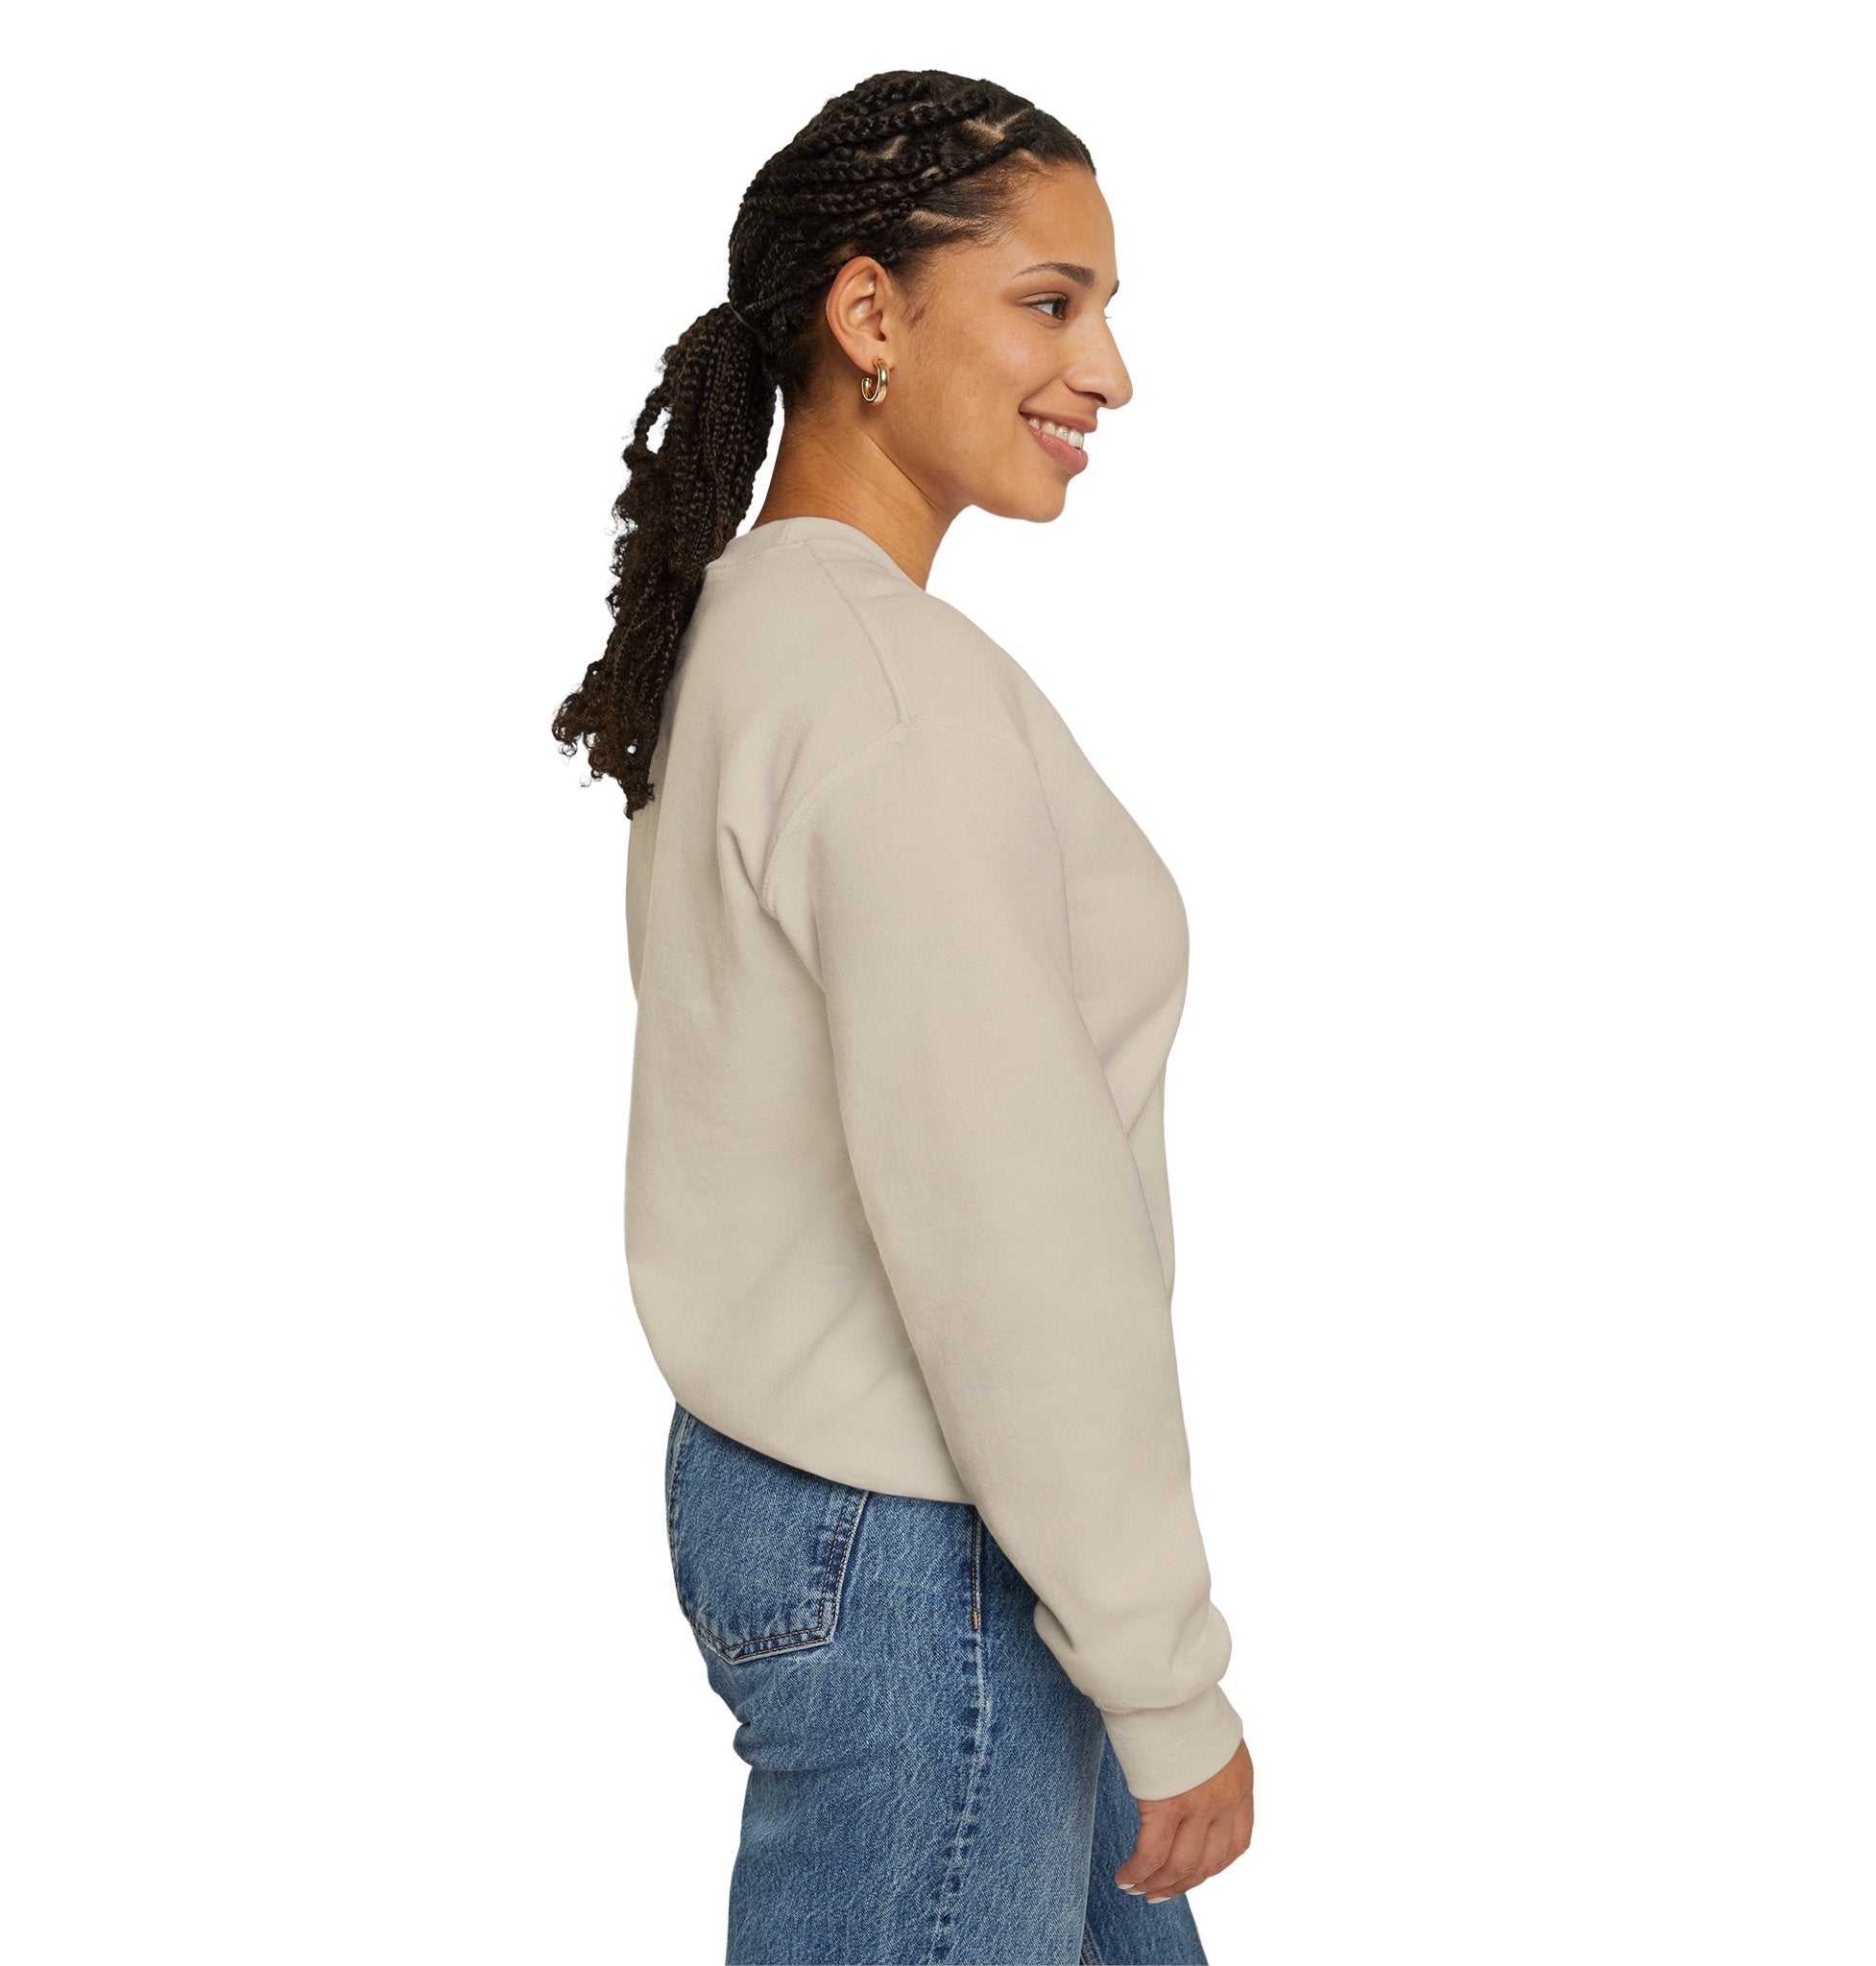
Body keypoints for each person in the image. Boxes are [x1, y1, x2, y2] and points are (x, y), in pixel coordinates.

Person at [553, 67, 1256, 1966]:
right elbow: (1005, 1221)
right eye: (1050, 302)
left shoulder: (756, 639)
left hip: (864, 1521)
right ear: (868, 317)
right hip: (927, 1549)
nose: (1107, 372)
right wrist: (1164, 1668)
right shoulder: (881, 688)